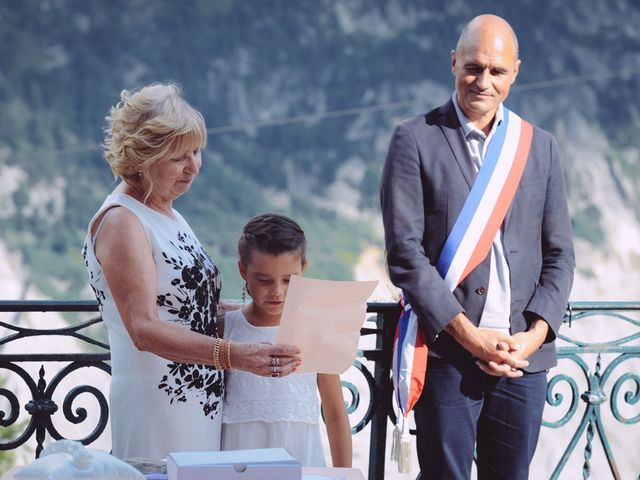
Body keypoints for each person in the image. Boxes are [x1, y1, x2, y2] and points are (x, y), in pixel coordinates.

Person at [380, 14, 575, 479]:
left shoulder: (539, 147)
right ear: (453, 62)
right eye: (473, 67)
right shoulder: (415, 138)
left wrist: (533, 336)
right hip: (448, 353)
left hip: (520, 361)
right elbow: (405, 254)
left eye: (497, 71)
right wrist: (469, 336)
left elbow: (560, 253)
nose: (483, 81)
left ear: (516, 72)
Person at [82, 83, 301, 460]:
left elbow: (191, 310)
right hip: (157, 404)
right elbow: (143, 328)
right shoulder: (122, 221)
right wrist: (237, 355)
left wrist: (269, 310)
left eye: (196, 151)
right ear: (142, 157)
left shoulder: (168, 212)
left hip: (199, 397)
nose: (194, 166)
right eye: (178, 157)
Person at [220, 213, 352, 467]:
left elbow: (335, 413)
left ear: (304, 269)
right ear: (243, 270)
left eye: (289, 280)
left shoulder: (316, 330)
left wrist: (345, 475)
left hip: (300, 457)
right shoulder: (226, 328)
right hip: (237, 461)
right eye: (264, 280)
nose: (277, 292)